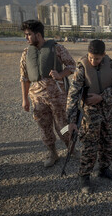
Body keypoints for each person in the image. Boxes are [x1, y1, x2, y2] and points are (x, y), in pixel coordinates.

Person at [66, 40, 112, 194]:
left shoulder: (109, 63)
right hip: (90, 114)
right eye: (91, 57)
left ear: (103, 55)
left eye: (96, 58)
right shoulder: (82, 68)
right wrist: (71, 121)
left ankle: (104, 169)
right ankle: (84, 176)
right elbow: (72, 96)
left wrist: (102, 97)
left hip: (108, 111)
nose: (93, 61)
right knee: (90, 145)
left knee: (107, 141)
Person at [20, 20, 76, 168]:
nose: (26, 38)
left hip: (57, 97)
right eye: (25, 35)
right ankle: (52, 153)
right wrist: (25, 99)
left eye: (28, 35)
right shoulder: (26, 53)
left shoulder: (57, 48)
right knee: (44, 127)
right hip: (37, 99)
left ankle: (72, 148)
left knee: (63, 126)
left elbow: (71, 65)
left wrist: (60, 74)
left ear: (38, 34)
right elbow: (24, 78)